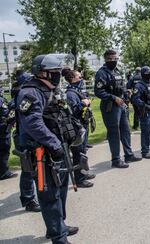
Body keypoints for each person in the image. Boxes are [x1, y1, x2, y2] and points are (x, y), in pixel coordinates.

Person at [16, 54, 81, 243]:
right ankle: (58, 237)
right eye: (54, 72)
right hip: (42, 153)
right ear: (42, 72)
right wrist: (53, 144)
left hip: (58, 150)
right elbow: (32, 123)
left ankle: (58, 226)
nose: (58, 76)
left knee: (61, 191)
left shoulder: (51, 89)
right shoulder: (30, 92)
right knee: (50, 196)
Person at [94, 49, 141, 168]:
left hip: (121, 105)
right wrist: (113, 98)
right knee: (114, 133)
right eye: (110, 59)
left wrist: (126, 96)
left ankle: (129, 154)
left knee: (126, 130)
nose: (113, 61)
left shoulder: (118, 71)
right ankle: (116, 159)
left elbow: (123, 87)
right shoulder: (101, 73)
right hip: (110, 106)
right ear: (105, 59)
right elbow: (98, 92)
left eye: (115, 58)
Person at [10, 71, 41, 212]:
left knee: (36, 168)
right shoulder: (21, 95)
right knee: (28, 170)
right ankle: (28, 199)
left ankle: (36, 196)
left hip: (30, 136)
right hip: (24, 138)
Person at [63, 68, 94, 188]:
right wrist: (83, 103)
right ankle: (79, 179)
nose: (81, 79)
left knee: (83, 152)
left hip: (82, 125)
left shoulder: (77, 91)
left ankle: (83, 173)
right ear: (72, 79)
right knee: (78, 154)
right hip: (76, 127)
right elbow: (72, 111)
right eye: (79, 77)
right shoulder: (70, 93)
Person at [0, 85, 18, 180]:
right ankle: (3, 172)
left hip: (3, 127)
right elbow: (5, 114)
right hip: (2, 129)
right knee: (4, 149)